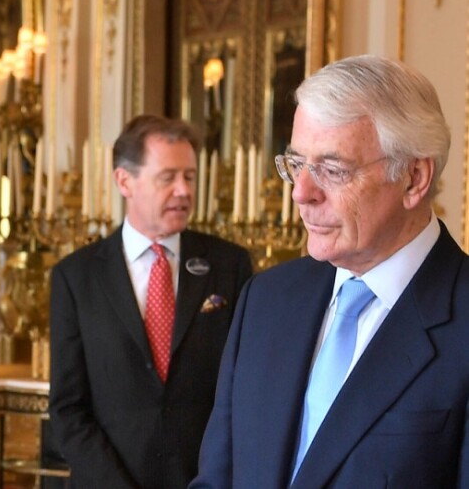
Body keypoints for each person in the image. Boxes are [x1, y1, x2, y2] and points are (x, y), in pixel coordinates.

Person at [190, 54, 469, 488]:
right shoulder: (266, 299)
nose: (301, 193)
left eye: (333, 170)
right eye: (297, 164)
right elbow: (216, 480)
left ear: (414, 178)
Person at [49, 114, 253, 489]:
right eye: (168, 177)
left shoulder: (229, 265)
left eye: (189, 177)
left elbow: (245, 391)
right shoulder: (76, 278)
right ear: (125, 181)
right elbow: (68, 409)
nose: (183, 190)